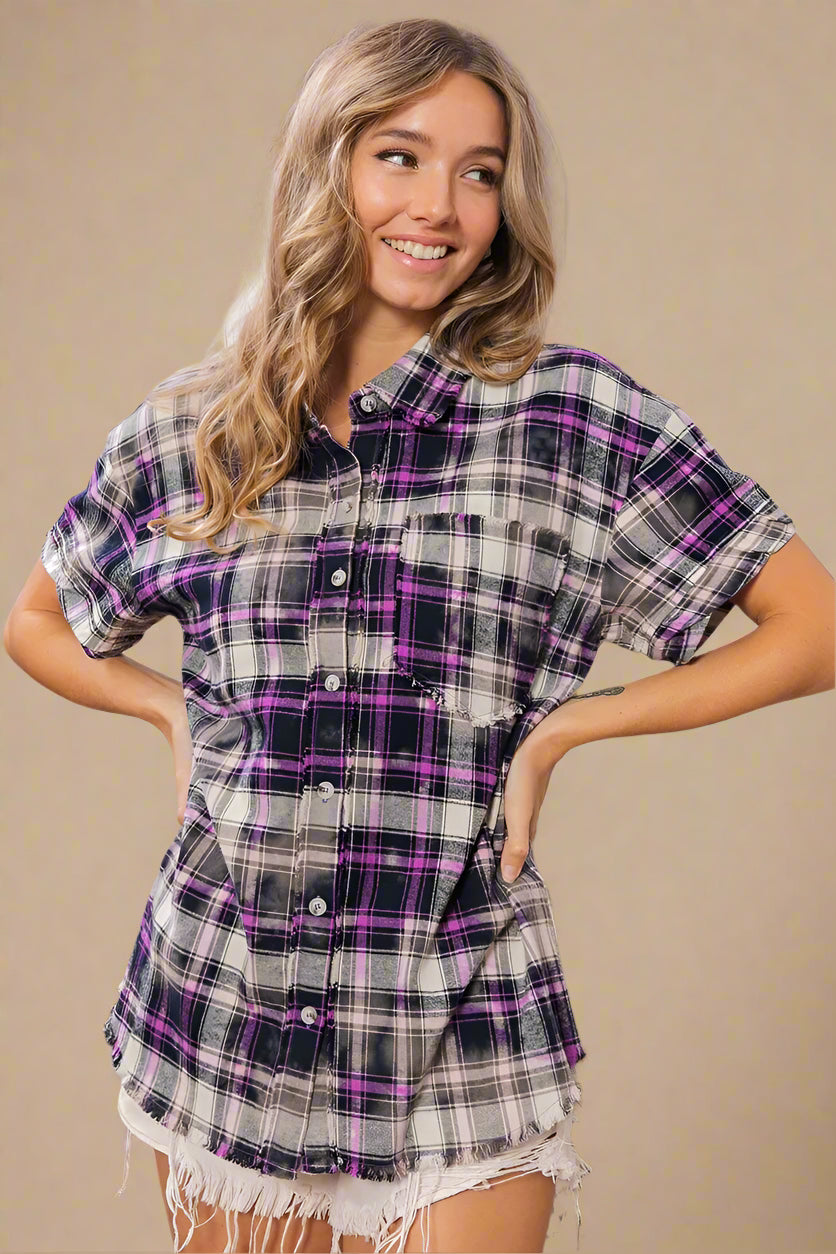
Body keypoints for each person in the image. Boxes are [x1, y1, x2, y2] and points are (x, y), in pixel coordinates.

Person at [5, 17, 833, 1254]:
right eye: (399, 156)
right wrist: (169, 709)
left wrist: (565, 730)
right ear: (326, 170)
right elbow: (39, 618)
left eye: (479, 170)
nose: (439, 205)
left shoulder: (571, 420)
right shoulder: (203, 426)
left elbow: (811, 628)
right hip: (230, 1000)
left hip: (462, 1006)